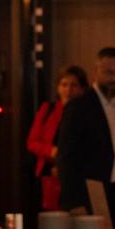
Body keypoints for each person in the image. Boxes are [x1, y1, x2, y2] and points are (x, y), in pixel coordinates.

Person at [55, 47, 115, 229]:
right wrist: (75, 202)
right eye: (109, 73)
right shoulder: (79, 106)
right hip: (89, 195)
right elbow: (65, 157)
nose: (114, 78)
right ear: (96, 73)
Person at [26, 65, 88, 210]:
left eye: (74, 85)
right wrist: (51, 151)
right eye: (64, 85)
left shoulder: (86, 113)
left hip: (76, 177)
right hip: (49, 176)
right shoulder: (48, 109)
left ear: (82, 89)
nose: (68, 90)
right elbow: (32, 142)